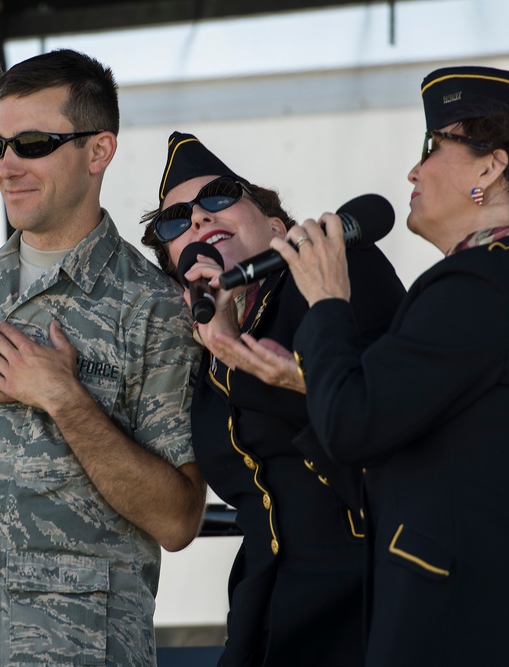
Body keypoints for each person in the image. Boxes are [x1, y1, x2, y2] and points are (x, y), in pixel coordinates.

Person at [0, 49, 205, 667]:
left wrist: (66, 400)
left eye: (31, 143)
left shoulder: (154, 307)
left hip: (67, 647)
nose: (6, 167)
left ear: (98, 151)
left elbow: (178, 518)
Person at [268, 66, 509, 666]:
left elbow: (354, 425)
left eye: (433, 147)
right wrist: (299, 377)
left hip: (459, 634)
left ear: (489, 167)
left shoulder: (482, 282)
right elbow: (407, 462)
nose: (413, 171)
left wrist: (325, 301)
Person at [140, 132, 405, 666]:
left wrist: (235, 349)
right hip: (264, 608)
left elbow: (379, 420)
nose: (196, 218)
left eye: (218, 195)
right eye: (173, 222)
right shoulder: (196, 344)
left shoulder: (338, 273)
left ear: (278, 227)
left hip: (369, 593)